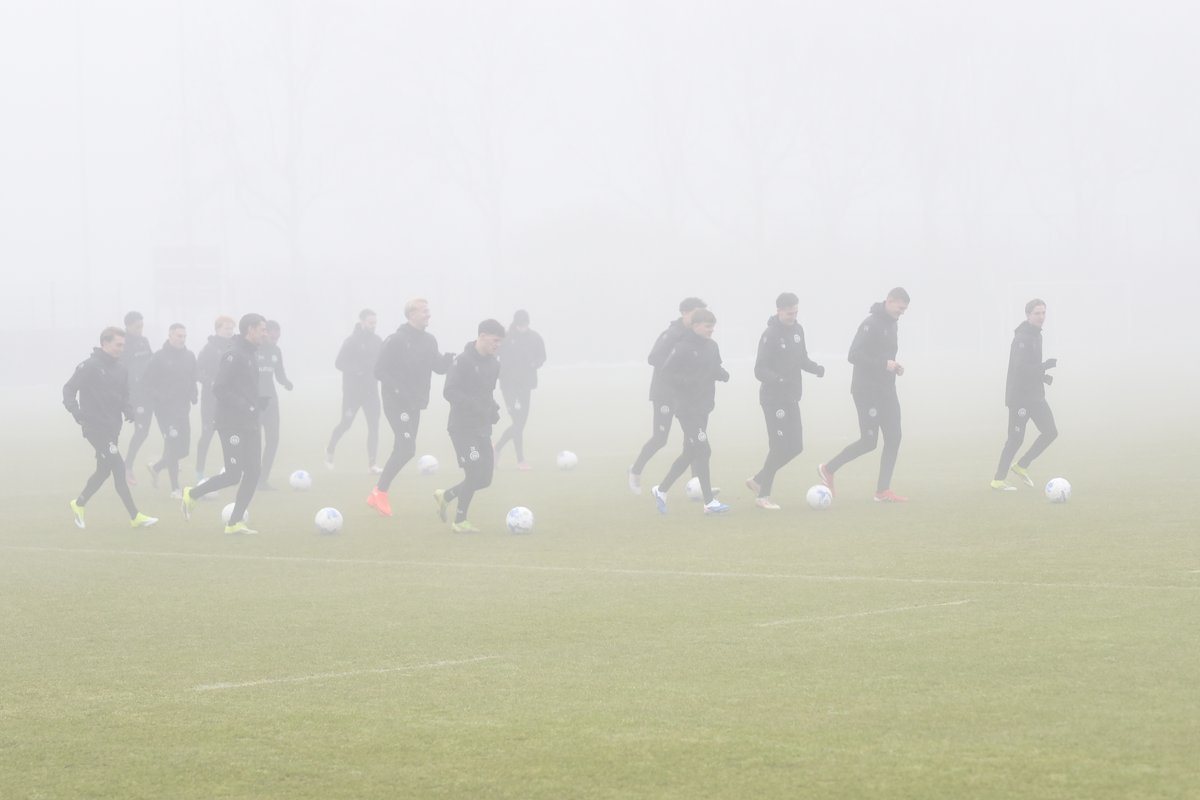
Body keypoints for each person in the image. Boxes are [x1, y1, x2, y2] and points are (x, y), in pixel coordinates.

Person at [817, 287, 910, 503]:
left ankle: (883, 491)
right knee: (869, 441)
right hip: (867, 391)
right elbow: (854, 355)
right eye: (900, 307)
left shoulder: (892, 324)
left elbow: (883, 358)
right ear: (889, 301)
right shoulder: (871, 324)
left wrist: (894, 367)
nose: (902, 312)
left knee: (894, 436)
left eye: (905, 309)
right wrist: (883, 364)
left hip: (886, 390)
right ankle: (828, 469)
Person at [63, 326, 158, 529]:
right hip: (94, 427)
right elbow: (69, 389)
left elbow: (123, 395)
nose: (121, 349)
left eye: (123, 345)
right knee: (118, 466)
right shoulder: (89, 366)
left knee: (103, 470)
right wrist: (76, 412)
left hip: (112, 428)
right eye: (118, 344)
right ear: (105, 343)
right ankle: (135, 516)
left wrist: (128, 410)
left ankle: (78, 503)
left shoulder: (121, 369)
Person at [366, 299, 454, 517]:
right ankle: (379, 492)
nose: (428, 315)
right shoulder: (396, 340)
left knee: (403, 449)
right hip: (397, 404)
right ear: (411, 314)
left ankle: (378, 494)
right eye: (424, 311)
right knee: (407, 448)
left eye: (428, 311)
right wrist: (398, 390)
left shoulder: (429, 341)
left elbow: (438, 367)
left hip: (414, 404)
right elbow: (379, 371)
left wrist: (450, 361)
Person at [181, 313, 268, 534]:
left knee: (254, 472)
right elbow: (219, 388)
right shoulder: (233, 354)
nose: (265, 334)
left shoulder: (250, 353)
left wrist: (256, 403)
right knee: (232, 474)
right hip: (231, 424)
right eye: (262, 329)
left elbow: (243, 386)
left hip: (249, 421)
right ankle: (192, 494)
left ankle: (234, 523)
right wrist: (245, 405)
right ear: (250, 330)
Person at [746, 293, 825, 510]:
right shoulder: (770, 335)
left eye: (796, 312)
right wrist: (777, 379)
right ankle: (763, 496)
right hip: (773, 400)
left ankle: (759, 479)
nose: (793, 316)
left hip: (791, 397)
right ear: (779, 311)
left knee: (796, 446)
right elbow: (759, 369)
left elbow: (802, 359)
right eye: (789, 313)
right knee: (779, 446)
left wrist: (816, 368)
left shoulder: (798, 331)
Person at [650, 308, 731, 515]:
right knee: (704, 450)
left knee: (691, 451)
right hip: (686, 408)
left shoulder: (712, 347)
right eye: (707, 327)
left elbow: (713, 368)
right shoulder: (682, 347)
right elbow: (666, 374)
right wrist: (686, 382)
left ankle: (661, 490)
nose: (711, 330)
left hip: (704, 406)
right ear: (695, 326)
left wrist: (722, 374)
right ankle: (709, 503)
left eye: (713, 327)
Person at [628, 297, 707, 495]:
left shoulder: (697, 335)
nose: (700, 318)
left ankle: (697, 483)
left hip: (687, 395)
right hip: (664, 393)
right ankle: (635, 470)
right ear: (684, 313)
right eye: (697, 313)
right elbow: (653, 357)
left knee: (693, 439)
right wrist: (675, 370)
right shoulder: (671, 334)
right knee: (660, 438)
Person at [434, 319, 505, 532]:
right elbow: (450, 391)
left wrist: (492, 409)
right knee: (474, 472)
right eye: (495, 340)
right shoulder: (462, 361)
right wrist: (475, 407)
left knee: (485, 479)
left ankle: (446, 496)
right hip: (462, 427)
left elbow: (486, 392)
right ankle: (460, 521)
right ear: (482, 336)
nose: (497, 345)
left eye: (500, 342)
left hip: (482, 427)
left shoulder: (494, 364)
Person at [991, 299, 1058, 491]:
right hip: (1020, 398)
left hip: (1035, 396)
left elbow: (1030, 369)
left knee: (1051, 432)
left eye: (1043, 312)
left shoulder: (1037, 336)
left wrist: (1043, 376)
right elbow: (1020, 369)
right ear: (1028, 315)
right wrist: (1044, 366)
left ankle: (1021, 466)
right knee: (1015, 439)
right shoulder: (1022, 338)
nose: (1041, 317)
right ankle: (998, 480)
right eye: (1037, 313)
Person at [144, 323, 197, 498]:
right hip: (165, 410)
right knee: (173, 445)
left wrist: (193, 394)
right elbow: (148, 381)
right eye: (178, 336)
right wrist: (159, 398)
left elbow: (192, 377)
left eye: (184, 336)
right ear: (170, 336)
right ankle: (175, 489)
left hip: (182, 408)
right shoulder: (159, 357)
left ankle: (157, 467)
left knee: (184, 450)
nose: (182, 339)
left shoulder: (189, 356)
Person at [326, 309, 382, 472]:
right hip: (353, 393)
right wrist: (356, 370)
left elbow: (382, 362)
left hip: (371, 392)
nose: (373, 326)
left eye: (375, 323)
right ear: (362, 322)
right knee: (346, 424)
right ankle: (330, 449)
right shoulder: (351, 341)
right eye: (370, 323)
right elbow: (339, 363)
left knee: (373, 426)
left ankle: (372, 464)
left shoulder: (378, 341)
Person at [494, 309, 547, 469]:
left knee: (520, 423)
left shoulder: (535, 337)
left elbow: (542, 356)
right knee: (517, 421)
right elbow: (494, 355)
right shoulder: (506, 338)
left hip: (526, 385)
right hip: (509, 386)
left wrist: (535, 363)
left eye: (525, 325)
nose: (523, 328)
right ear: (515, 324)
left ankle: (496, 449)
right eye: (520, 325)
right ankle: (520, 460)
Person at [194, 315, 236, 481]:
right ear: (218, 329)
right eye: (227, 328)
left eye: (232, 328)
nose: (230, 331)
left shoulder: (235, 347)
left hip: (230, 401)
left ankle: (232, 471)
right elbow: (197, 371)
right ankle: (199, 473)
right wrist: (210, 382)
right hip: (211, 401)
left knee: (231, 437)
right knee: (207, 435)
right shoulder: (209, 348)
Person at [256, 319, 294, 489]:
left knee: (273, 439)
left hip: (271, 401)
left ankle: (263, 479)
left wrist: (286, 382)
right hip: (254, 402)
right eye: (272, 337)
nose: (275, 341)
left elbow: (279, 373)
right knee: (254, 442)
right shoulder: (252, 350)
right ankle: (253, 477)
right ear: (264, 334)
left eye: (278, 338)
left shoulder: (276, 351)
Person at [120, 311, 155, 484]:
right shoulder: (122, 344)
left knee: (143, 432)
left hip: (149, 394)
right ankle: (126, 468)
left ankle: (167, 461)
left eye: (142, 326)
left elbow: (151, 363)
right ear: (128, 326)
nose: (140, 330)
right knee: (140, 431)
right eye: (137, 327)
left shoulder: (144, 341)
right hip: (134, 396)